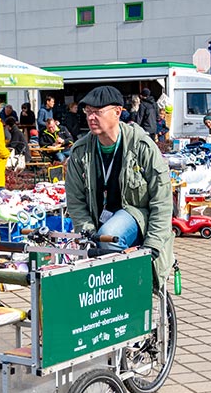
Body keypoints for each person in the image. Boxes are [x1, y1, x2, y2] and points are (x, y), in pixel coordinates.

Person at [65, 86, 174, 288]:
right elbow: (74, 199)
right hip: (97, 220)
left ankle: (127, 287)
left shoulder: (141, 145)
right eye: (88, 112)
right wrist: (88, 232)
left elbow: (162, 200)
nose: (91, 117)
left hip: (136, 216)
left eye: (97, 112)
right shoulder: (80, 151)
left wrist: (154, 243)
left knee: (109, 234)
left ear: (117, 112)